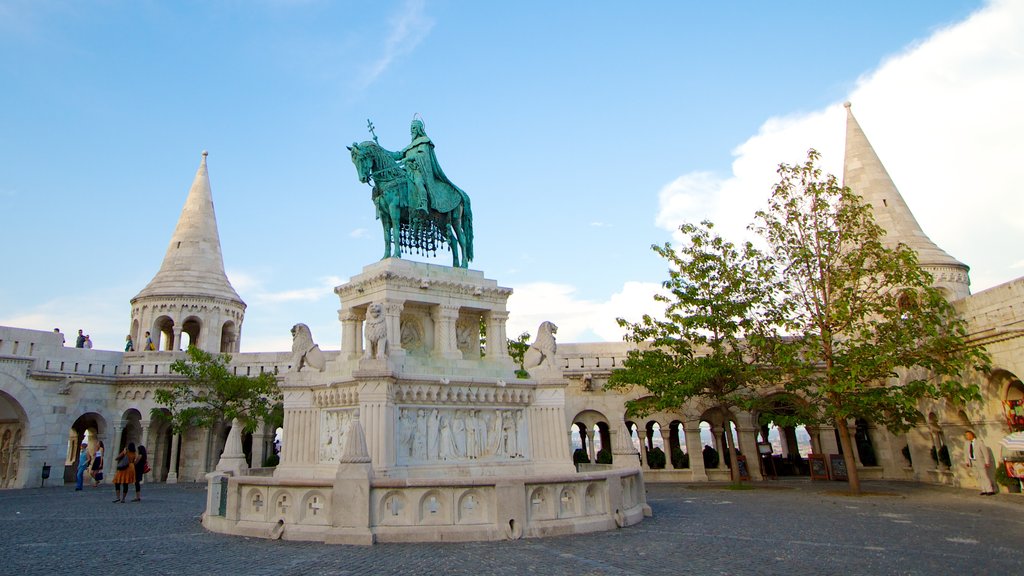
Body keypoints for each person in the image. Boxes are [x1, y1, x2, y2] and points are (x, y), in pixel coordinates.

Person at [964, 431, 996, 495]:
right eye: (966, 435)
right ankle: (983, 489)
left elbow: (985, 453)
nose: (967, 437)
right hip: (972, 461)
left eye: (968, 435)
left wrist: (987, 462)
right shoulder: (967, 444)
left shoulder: (979, 442)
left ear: (972, 435)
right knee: (978, 476)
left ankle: (989, 489)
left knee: (984, 475)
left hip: (980, 461)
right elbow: (966, 453)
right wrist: (967, 461)